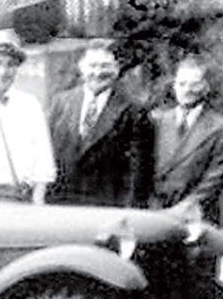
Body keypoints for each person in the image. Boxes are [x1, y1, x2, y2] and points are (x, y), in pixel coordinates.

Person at [47, 39, 154, 208]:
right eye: (92, 66)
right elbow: (47, 153)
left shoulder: (133, 110)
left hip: (107, 205)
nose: (98, 73)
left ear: (116, 69)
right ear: (81, 68)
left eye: (105, 66)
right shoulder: (61, 102)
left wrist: (130, 210)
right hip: (61, 202)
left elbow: (138, 169)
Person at [0, 29, 55, 205]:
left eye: (10, 65)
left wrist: (37, 202)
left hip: (19, 198)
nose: (3, 72)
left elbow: (43, 160)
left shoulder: (29, 104)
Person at [151, 55, 223, 223]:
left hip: (198, 212)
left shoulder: (221, 127)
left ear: (206, 87)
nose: (187, 90)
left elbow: (217, 174)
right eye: (182, 84)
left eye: (194, 84)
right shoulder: (157, 120)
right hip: (156, 210)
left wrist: (188, 205)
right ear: (174, 86)